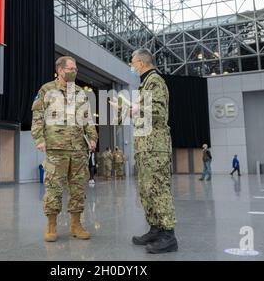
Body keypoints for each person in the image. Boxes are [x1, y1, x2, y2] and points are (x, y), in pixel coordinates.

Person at [110, 48, 177, 254]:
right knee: (147, 189)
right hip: (145, 147)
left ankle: (168, 234)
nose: (131, 65)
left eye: (132, 61)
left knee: (158, 188)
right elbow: (144, 115)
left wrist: (138, 108)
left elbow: (159, 112)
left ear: (141, 62)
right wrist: (128, 109)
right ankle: (155, 228)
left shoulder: (155, 80)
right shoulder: (145, 83)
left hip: (155, 147)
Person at [31, 56, 98, 242]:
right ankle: (51, 225)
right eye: (71, 68)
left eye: (75, 68)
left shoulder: (80, 93)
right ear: (61, 70)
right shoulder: (47, 90)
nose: (75, 71)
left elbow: (88, 119)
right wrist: (39, 138)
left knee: (78, 189)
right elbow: (37, 117)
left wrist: (92, 137)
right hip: (55, 148)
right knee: (53, 188)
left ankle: (76, 225)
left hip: (78, 149)